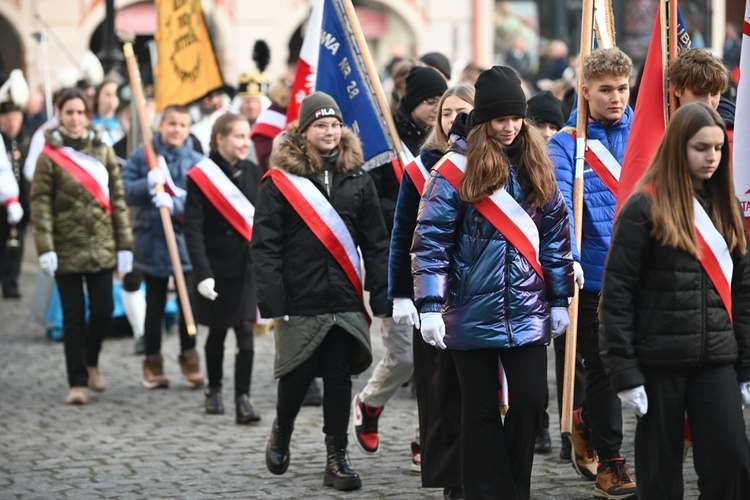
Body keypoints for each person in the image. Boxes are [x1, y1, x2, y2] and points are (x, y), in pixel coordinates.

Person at [412, 66, 574, 500]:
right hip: (469, 308)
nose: (509, 127)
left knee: (531, 400)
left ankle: (512, 488)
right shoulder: (452, 170)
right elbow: (430, 242)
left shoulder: (536, 162)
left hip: (526, 306)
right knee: (479, 411)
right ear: (483, 119)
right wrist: (430, 304)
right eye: (500, 118)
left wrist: (560, 298)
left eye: (515, 118)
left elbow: (557, 238)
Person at [599, 102, 750, 500]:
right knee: (660, 478)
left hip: (716, 361)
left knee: (732, 464)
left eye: (718, 148)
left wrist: (746, 366)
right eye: (702, 147)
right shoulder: (643, 207)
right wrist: (625, 373)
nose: (712, 157)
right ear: (679, 146)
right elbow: (617, 296)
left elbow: (744, 292)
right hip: (658, 364)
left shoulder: (727, 206)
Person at [251, 92, 389, 491]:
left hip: (344, 295)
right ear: (304, 130)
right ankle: (283, 429)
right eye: (320, 125)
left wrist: (379, 296)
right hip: (300, 296)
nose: (329, 132)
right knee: (295, 375)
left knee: (338, 375)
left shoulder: (358, 178)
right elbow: (265, 245)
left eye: (334, 125)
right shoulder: (279, 183)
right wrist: (272, 299)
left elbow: (376, 242)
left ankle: (337, 456)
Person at [548, 47, 638, 499]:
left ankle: (584, 419)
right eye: (605, 90)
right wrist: (573, 259)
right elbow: (560, 207)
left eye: (622, 88)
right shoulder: (565, 143)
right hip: (595, 276)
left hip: (641, 273)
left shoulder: (647, 131)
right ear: (585, 91)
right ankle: (613, 462)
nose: (616, 97)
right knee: (603, 371)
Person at [388, 85, 474, 499]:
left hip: (479, 293)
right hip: (433, 293)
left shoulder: (492, 162)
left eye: (464, 111)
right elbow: (404, 233)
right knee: (440, 392)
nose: (453, 120)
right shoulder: (420, 169)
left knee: (478, 390)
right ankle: (451, 480)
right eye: (446, 113)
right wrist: (403, 294)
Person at [30, 88, 133, 404]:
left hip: (101, 244)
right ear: (59, 115)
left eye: (79, 112)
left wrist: (125, 245)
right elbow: (41, 203)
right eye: (68, 113)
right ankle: (77, 381)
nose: (74, 118)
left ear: (87, 115)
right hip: (65, 247)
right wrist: (45, 247)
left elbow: (117, 197)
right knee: (73, 317)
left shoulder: (102, 150)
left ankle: (91, 362)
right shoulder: (49, 156)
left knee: (103, 310)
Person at [184, 113, 263, 423]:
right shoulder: (200, 176)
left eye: (247, 136)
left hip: (245, 268)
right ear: (220, 139)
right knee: (216, 334)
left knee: (245, 331)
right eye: (238, 136)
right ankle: (213, 388)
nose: (245, 142)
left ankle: (243, 397)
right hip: (214, 269)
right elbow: (192, 229)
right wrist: (202, 274)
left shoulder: (255, 172)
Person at [121, 104, 205, 390]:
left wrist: (176, 203)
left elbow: (202, 199)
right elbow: (123, 189)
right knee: (155, 304)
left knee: (188, 303)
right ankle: (152, 359)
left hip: (185, 241)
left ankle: (189, 355)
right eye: (171, 124)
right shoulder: (143, 156)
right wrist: (146, 184)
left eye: (182, 125)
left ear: (189, 130)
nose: (176, 130)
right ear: (160, 126)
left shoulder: (196, 160)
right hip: (152, 238)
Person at [526, 89, 586, 459]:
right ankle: (538, 426)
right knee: (532, 355)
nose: (548, 132)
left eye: (554, 124)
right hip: (527, 276)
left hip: (561, 266)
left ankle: (571, 428)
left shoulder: (567, 158)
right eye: (540, 125)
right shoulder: (519, 163)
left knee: (570, 353)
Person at [0, 70, 31, 299]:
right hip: (2, 202)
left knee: (16, 245)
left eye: (16, 118)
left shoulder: (27, 139)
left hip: (22, 201)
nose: (12, 123)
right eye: (7, 119)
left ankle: (11, 282)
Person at [668, 48, 734, 148]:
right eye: (699, 94)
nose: (708, 103)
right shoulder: (660, 122)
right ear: (677, 89)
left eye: (714, 94)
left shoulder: (731, 140)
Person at [394, 66, 449, 158]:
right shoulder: (393, 133)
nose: (437, 109)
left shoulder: (445, 133)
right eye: (431, 102)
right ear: (414, 101)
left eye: (442, 102)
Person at [92, 78, 125, 147]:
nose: (112, 99)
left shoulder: (124, 124)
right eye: (107, 95)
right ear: (97, 96)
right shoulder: (87, 122)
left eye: (116, 95)